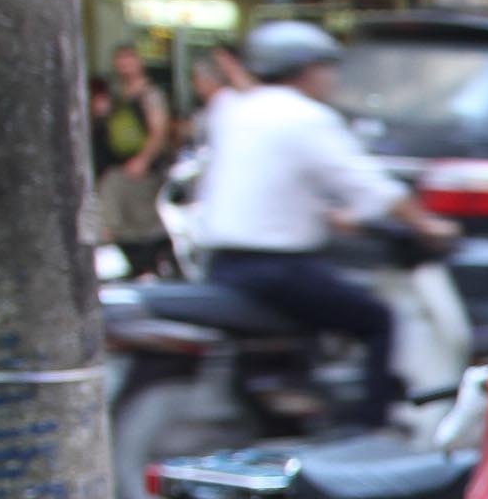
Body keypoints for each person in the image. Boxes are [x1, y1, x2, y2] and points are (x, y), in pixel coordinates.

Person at [195, 21, 457, 430]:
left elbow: (269, 179)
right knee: (377, 319)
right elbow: (368, 185)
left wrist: (330, 215)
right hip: (275, 271)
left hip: (221, 263)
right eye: (327, 68)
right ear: (306, 70)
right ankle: (371, 429)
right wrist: (426, 224)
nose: (332, 79)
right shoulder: (305, 117)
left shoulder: (231, 109)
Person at [94, 44, 176, 278]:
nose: (124, 65)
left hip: (143, 171)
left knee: (142, 223)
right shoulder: (117, 95)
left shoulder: (150, 94)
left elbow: (158, 130)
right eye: (119, 60)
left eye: (128, 59)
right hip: (120, 165)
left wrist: (143, 159)